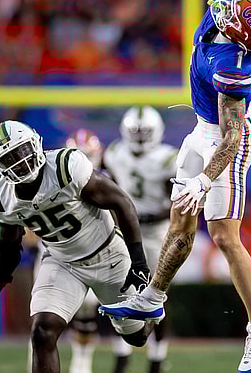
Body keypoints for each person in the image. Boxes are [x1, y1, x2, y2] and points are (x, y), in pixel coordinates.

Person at [100, 0, 251, 371]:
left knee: (224, 236)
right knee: (181, 219)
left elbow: (230, 139)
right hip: (203, 133)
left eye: (230, 13)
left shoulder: (235, 67)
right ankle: (153, 299)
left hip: (229, 141)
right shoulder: (233, 0)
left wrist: (206, 179)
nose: (222, 5)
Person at [0, 121, 155, 373]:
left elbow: (121, 202)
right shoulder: (2, 197)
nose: (19, 163)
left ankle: (156, 294)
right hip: (62, 262)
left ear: (35, 143)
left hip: (108, 252)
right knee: (42, 331)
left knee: (137, 336)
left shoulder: (65, 166)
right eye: (9, 159)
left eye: (22, 152)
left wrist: (139, 262)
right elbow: (6, 252)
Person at [103, 107, 178, 373]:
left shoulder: (168, 158)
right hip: (127, 230)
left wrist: (147, 215)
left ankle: (157, 357)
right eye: (136, 132)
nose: (140, 137)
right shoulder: (115, 152)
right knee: (122, 291)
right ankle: (122, 355)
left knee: (158, 293)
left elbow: (175, 202)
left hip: (157, 231)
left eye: (145, 132)